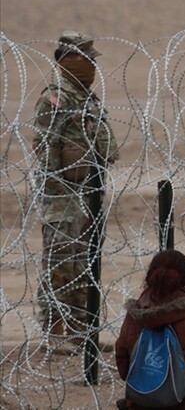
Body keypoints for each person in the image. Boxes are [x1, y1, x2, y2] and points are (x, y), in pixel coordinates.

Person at [32, 30, 119, 349]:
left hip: (88, 194)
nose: (91, 67)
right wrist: (61, 188)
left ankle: (82, 330)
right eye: (86, 60)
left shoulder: (86, 98)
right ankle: (55, 331)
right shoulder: (56, 98)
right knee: (60, 263)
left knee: (84, 265)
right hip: (62, 197)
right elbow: (44, 149)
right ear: (69, 60)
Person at [115, 250, 185, 409]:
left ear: (150, 276)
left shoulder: (137, 313)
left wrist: (147, 381)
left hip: (142, 401)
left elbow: (122, 357)